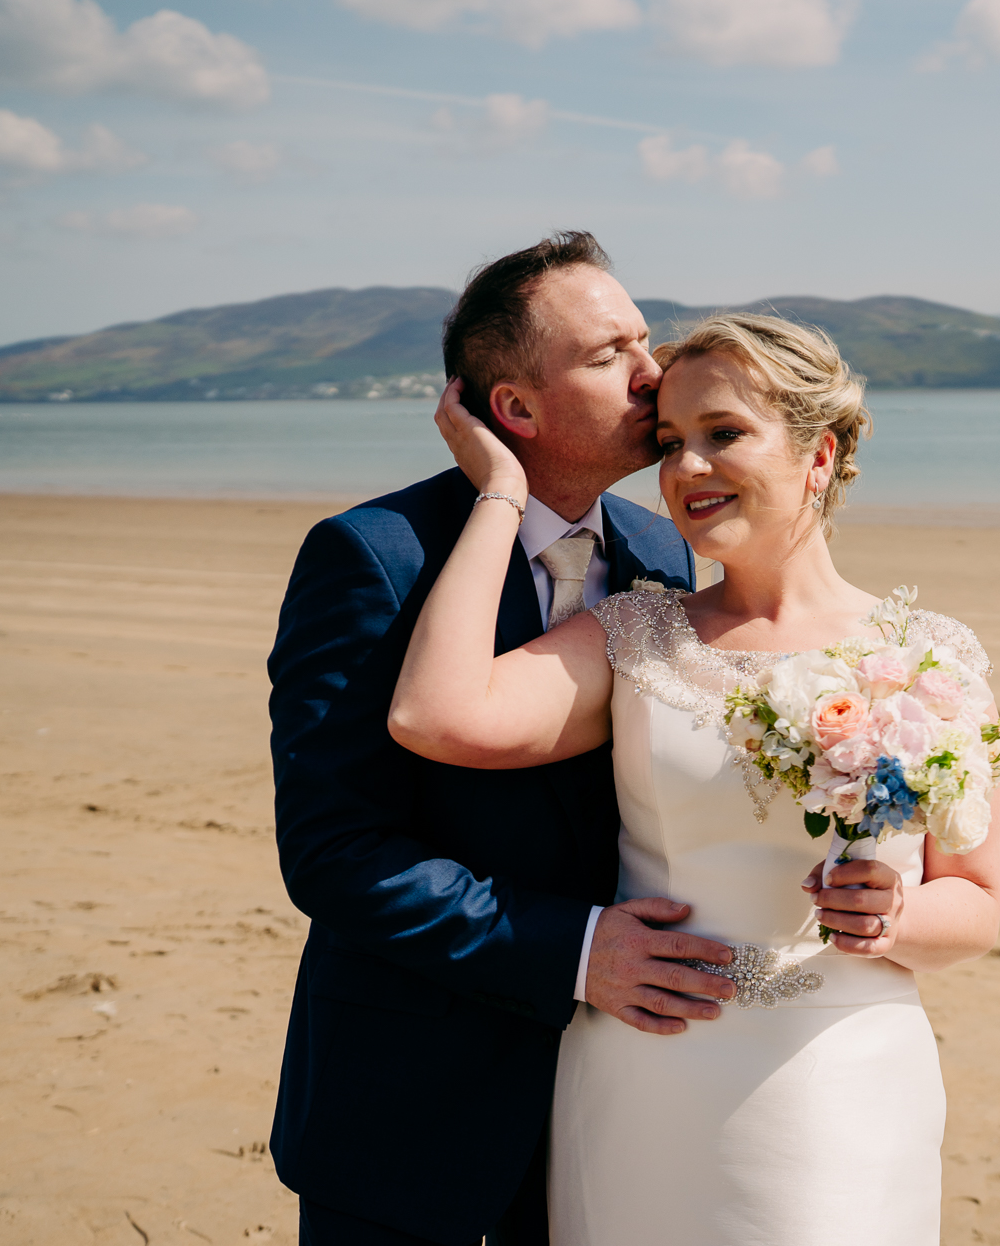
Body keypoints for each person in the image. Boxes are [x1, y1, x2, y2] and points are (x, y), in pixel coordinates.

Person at [390, 311, 1000, 1243]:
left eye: (724, 435)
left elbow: (976, 904)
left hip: (842, 1080)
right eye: (671, 444)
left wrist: (897, 918)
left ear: (818, 453)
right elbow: (435, 714)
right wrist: (501, 494)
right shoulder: (636, 636)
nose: (685, 470)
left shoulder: (931, 657)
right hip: (647, 1073)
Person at [266, 231, 741, 1246]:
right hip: (407, 1109)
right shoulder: (373, 558)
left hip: (609, 1099)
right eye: (612, 353)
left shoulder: (663, 548)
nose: (655, 373)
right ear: (515, 408)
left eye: (646, 338)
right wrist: (570, 949)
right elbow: (334, 853)